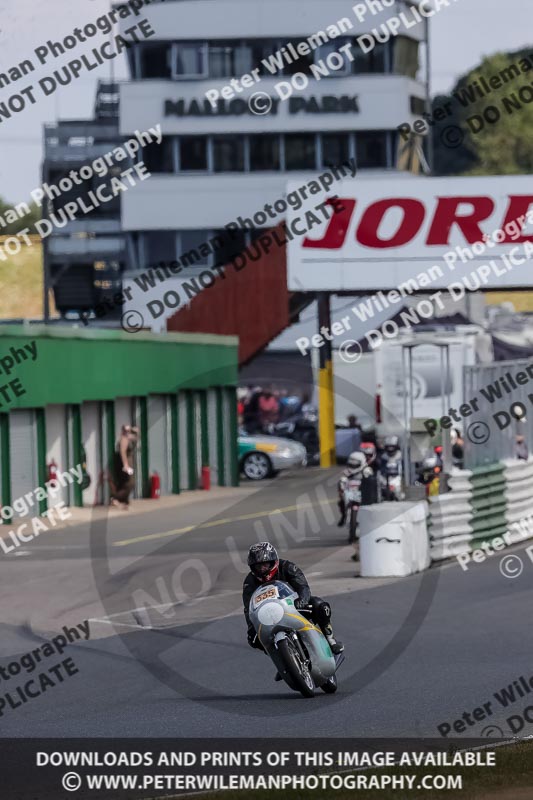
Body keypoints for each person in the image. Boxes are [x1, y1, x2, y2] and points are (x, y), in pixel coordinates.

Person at [243, 543, 344, 669]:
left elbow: (303, 586)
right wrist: (251, 626)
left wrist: (303, 600)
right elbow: (249, 608)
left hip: (293, 605)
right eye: (258, 566)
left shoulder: (288, 567)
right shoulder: (249, 582)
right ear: (252, 567)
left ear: (273, 561)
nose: (262, 569)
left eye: (265, 564)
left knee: (321, 606)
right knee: (253, 638)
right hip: (269, 614)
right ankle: (281, 660)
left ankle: (330, 640)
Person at [110, 424, 138, 509]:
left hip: (128, 464)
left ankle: (123, 501)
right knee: (130, 482)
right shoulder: (124, 439)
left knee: (125, 482)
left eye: (129, 431)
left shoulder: (129, 438)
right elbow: (122, 452)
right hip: (125, 465)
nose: (128, 432)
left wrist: (135, 432)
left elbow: (136, 438)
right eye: (127, 431)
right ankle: (115, 498)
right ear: (123, 431)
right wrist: (125, 465)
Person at [337, 451, 368, 527]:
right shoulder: (346, 472)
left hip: (364, 493)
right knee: (341, 501)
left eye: (356, 462)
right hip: (350, 493)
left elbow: (371, 481)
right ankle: (344, 516)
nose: (353, 464)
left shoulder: (366, 471)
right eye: (352, 462)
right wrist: (342, 486)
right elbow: (342, 481)